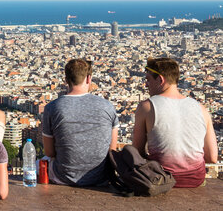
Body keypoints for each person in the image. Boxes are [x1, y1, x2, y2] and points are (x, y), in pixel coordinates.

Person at [132, 57, 218, 188]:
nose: (146, 85)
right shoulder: (201, 108)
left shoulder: (147, 107)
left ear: (160, 79)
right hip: (195, 180)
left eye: (148, 79)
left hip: (160, 178)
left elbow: (136, 152)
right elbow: (212, 157)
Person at [42, 59, 118, 186]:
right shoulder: (108, 106)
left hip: (64, 177)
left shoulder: (52, 107)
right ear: (89, 79)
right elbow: (112, 149)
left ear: (66, 80)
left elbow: (49, 153)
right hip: (101, 178)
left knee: (39, 163)